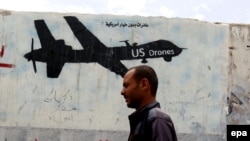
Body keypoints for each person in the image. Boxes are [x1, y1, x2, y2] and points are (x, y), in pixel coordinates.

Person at [121, 65, 178, 141]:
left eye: (126, 86)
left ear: (144, 85)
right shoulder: (145, 119)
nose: (122, 92)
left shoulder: (157, 119)